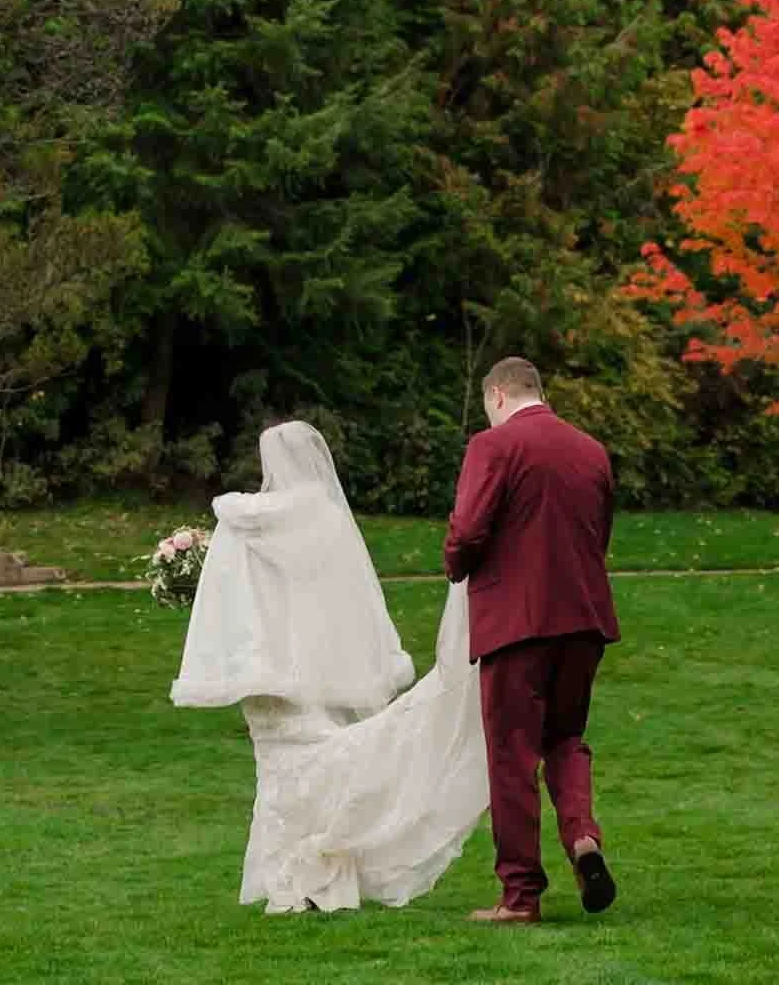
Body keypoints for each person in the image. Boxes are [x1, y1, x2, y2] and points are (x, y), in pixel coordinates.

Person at [171, 420, 424, 912]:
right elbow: (351, 598)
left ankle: (286, 878)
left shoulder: (242, 524)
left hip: (267, 669)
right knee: (323, 767)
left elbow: (231, 602)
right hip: (321, 668)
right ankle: (323, 875)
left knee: (278, 772)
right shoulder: (329, 521)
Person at [445, 357, 620, 926]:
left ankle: (520, 896)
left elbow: (469, 530)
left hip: (517, 625)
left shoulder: (492, 447)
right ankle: (583, 839)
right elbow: (601, 535)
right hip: (584, 620)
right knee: (566, 739)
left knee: (511, 755)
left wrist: (455, 562)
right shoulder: (591, 451)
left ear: (497, 395)